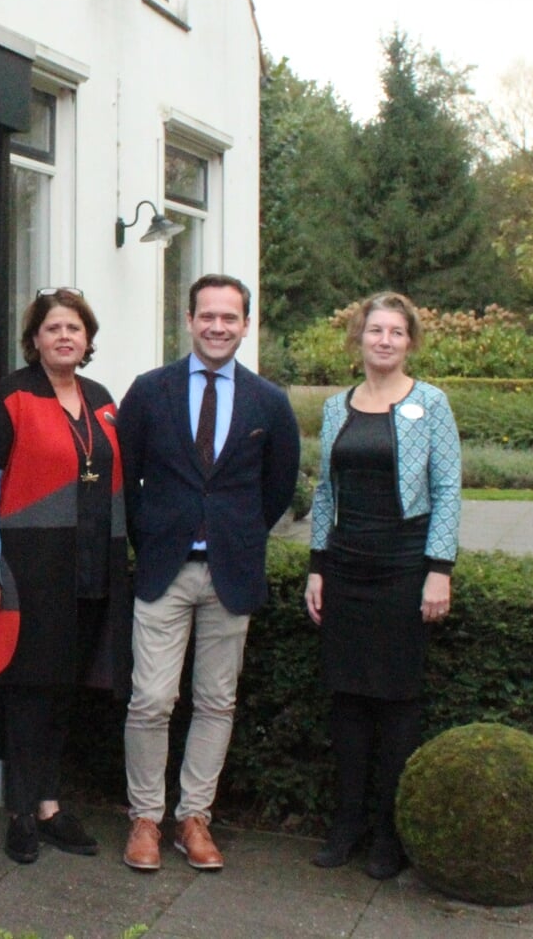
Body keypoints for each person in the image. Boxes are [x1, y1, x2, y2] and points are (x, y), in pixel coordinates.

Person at [116, 274, 300, 872]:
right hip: (165, 569)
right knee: (150, 699)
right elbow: (129, 477)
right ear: (189, 320)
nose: (218, 326)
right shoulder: (150, 391)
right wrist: (154, 536)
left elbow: (276, 489)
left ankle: (193, 818)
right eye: (207, 316)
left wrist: (235, 532)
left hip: (232, 571)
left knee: (217, 702)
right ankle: (145, 816)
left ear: (247, 325)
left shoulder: (268, 403)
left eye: (230, 317)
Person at [0, 288, 131, 866]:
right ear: (34, 339)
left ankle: (50, 806)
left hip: (90, 570)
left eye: (75, 329)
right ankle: (20, 812)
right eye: (53, 328)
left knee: (63, 692)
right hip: (28, 571)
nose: (65, 337)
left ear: (88, 340)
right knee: (28, 692)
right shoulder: (12, 395)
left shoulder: (104, 400)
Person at [303, 291, 461, 880]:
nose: (385, 341)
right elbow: (325, 490)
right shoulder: (337, 407)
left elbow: (448, 489)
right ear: (360, 339)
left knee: (395, 702)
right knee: (347, 699)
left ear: (410, 341)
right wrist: (317, 564)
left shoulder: (431, 404)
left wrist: (438, 569)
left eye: (396, 332)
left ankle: (388, 834)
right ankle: (346, 825)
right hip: (346, 567)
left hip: (403, 567)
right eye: (376, 331)